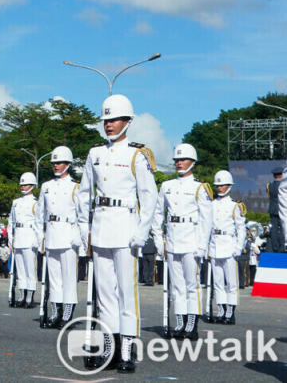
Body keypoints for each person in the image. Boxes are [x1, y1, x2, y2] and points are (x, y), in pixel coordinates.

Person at [76, 94, 157, 373]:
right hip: (100, 228)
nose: (108, 125)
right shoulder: (95, 153)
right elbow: (84, 193)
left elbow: (149, 197)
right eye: (106, 120)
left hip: (125, 228)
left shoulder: (137, 154)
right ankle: (108, 348)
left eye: (114, 120)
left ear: (128, 122)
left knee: (126, 293)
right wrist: (82, 229)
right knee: (104, 295)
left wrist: (141, 231)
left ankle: (127, 350)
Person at [152, 143, 212, 340]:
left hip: (191, 240)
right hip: (173, 239)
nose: (179, 163)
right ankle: (180, 322)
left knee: (191, 284)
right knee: (176, 285)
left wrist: (202, 245)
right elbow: (158, 213)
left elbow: (206, 219)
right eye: (176, 160)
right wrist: (158, 240)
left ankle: (192, 324)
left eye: (183, 159)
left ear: (192, 162)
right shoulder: (167, 186)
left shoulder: (200, 188)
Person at [36, 146, 80, 328]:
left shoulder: (76, 187)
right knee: (53, 278)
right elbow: (39, 215)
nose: (56, 165)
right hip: (52, 235)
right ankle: (55, 312)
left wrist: (78, 237)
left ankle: (67, 314)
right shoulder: (46, 186)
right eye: (54, 163)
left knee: (68, 277)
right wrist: (40, 237)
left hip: (69, 235)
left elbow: (82, 214)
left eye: (59, 162)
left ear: (68, 164)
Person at [208, 170, 246, 325]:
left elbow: (241, 229)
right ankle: (221, 310)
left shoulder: (235, 205)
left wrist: (238, 247)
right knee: (217, 282)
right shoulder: (210, 204)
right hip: (214, 244)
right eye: (217, 185)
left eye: (222, 185)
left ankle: (230, 311)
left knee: (231, 282)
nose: (219, 188)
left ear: (229, 186)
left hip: (228, 245)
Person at [9, 172, 40, 310]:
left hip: (29, 237)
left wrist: (37, 240)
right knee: (20, 269)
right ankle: (21, 295)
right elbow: (11, 221)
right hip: (19, 236)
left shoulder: (36, 203)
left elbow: (39, 223)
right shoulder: (16, 202)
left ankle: (29, 296)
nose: (22, 187)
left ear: (32, 186)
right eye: (21, 184)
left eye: (26, 184)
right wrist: (11, 237)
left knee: (30, 269)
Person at [266, 167, 283, 253]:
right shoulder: (283, 186)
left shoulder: (269, 185)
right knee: (283, 228)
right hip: (282, 209)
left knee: (274, 229)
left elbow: (269, 195)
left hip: (272, 209)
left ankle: (275, 247)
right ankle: (282, 247)